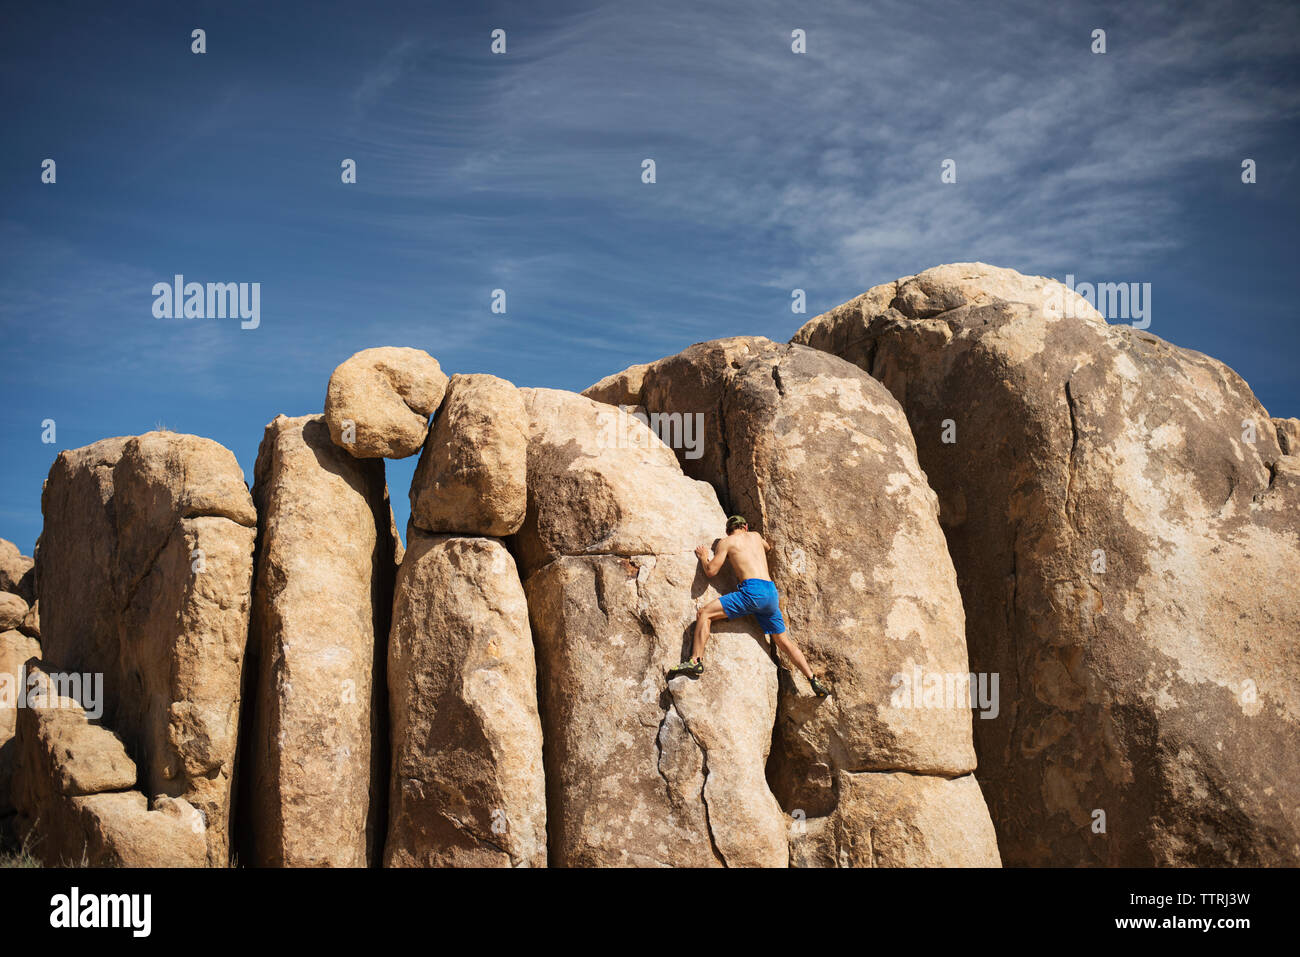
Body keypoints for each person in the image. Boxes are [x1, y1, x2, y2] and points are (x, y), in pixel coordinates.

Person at [668, 515, 831, 696]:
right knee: (782, 640)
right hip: (770, 593)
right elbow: (767, 547)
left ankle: (695, 660)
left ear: (727, 531)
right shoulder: (756, 537)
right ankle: (812, 678)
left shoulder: (726, 542)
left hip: (752, 591)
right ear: (745, 526)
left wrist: (704, 557)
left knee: (704, 613)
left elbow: (711, 571)